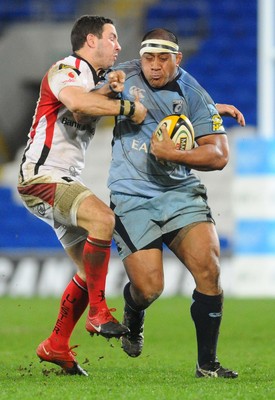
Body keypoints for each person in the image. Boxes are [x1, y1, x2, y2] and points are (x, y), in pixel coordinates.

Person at [108, 28, 245, 378]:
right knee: (150, 288)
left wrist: (174, 154)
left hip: (179, 193)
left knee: (209, 270)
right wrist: (110, 96)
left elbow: (218, 154)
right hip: (132, 195)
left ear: (177, 59)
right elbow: (79, 104)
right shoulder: (121, 76)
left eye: (163, 59)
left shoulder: (194, 92)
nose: (154, 66)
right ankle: (134, 310)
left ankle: (207, 366)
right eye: (148, 58)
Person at [17, 15, 147, 376]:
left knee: (88, 272)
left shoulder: (91, 79)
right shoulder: (66, 68)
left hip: (60, 179)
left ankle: (56, 345)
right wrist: (125, 107)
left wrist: (108, 90)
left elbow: (88, 98)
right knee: (104, 219)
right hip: (40, 176)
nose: (119, 46)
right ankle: (99, 314)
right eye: (113, 38)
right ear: (91, 41)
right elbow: (77, 104)